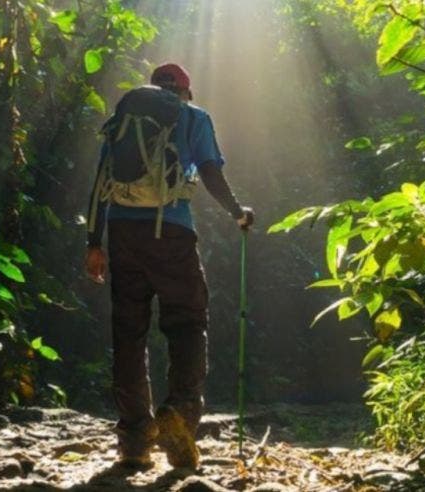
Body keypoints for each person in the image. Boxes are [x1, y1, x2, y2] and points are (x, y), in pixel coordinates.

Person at [84, 63, 253, 470]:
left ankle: (134, 441)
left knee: (129, 333)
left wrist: (94, 243)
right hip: (172, 232)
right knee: (187, 323)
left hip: (123, 234)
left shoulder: (122, 122)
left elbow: (100, 183)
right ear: (184, 92)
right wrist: (237, 212)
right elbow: (210, 172)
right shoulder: (193, 117)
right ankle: (179, 414)